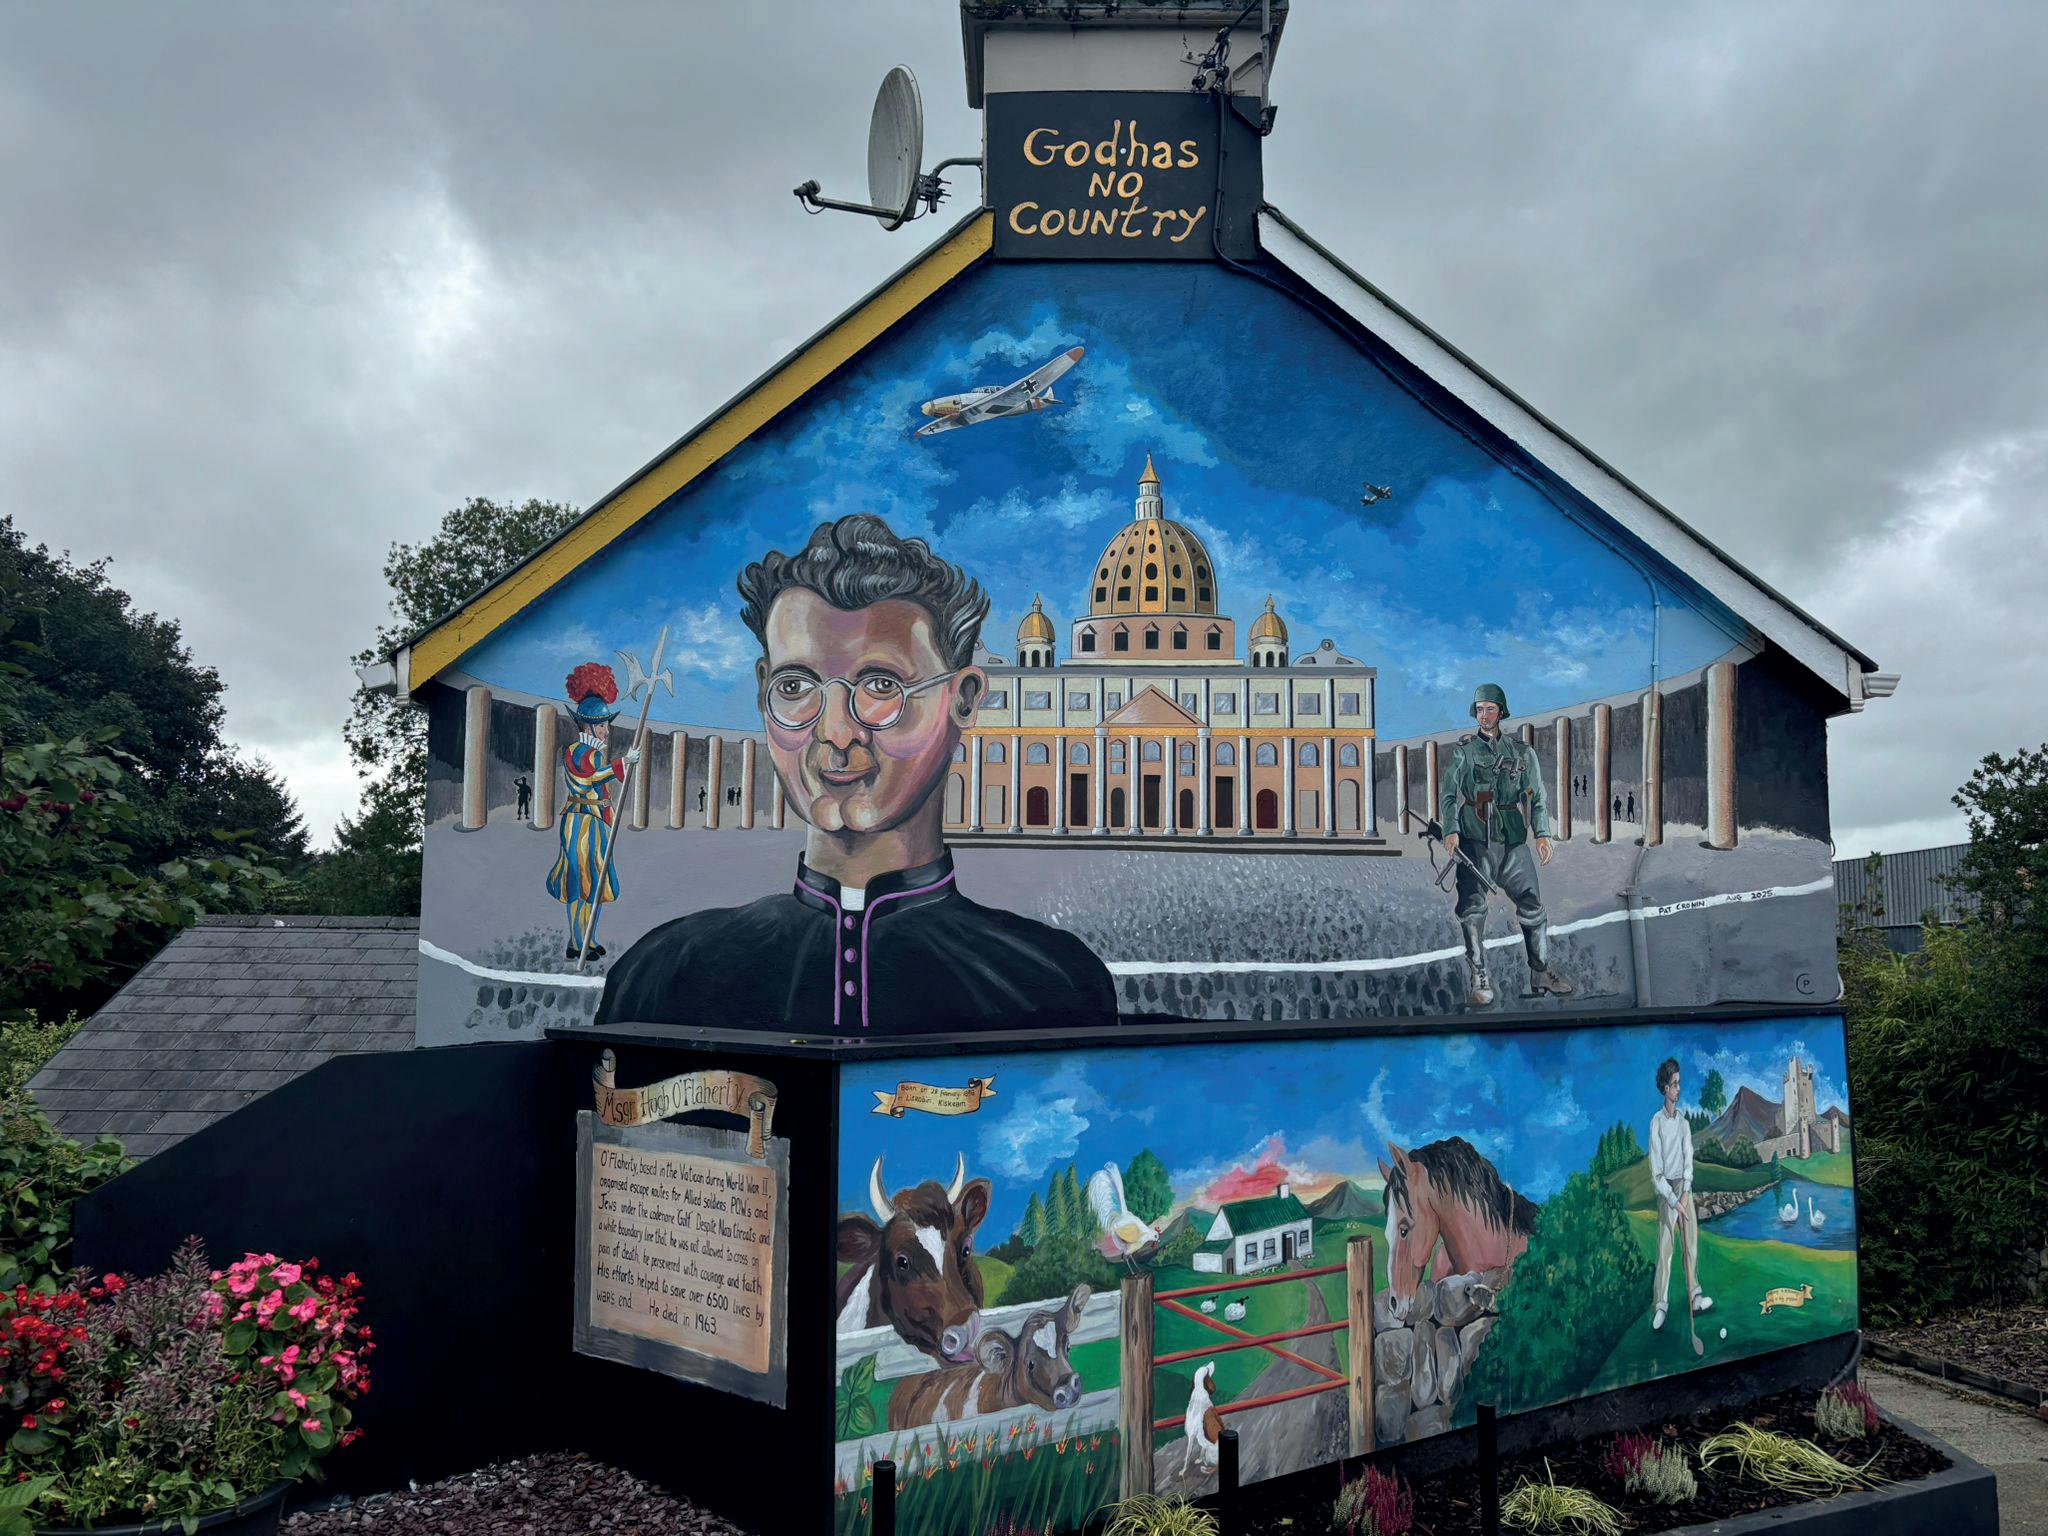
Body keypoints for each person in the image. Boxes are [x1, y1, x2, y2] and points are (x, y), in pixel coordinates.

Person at [597, 513, 1116, 1035]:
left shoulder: (1055, 983)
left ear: (962, 700)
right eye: (795, 687)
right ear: (763, 692)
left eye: (882, 686)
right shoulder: (661, 976)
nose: (837, 733)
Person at [1438, 683, 1574, 1006]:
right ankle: (1479, 973)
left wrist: (1542, 834)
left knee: (1533, 905)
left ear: (1501, 712)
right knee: (1472, 908)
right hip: (1474, 839)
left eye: (1490, 709)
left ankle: (1540, 971)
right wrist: (1451, 830)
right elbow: (1448, 795)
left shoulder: (1522, 753)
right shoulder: (1464, 752)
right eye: (1479, 710)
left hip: (1512, 840)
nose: (1484, 715)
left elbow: (1536, 796)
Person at [545, 664, 640, 961]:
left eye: (606, 725)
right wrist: (622, 763)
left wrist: (620, 766)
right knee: (579, 882)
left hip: (597, 821)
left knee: (595, 884)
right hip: (580, 823)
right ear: (587, 726)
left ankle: (589, 937)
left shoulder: (595, 752)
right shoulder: (576, 751)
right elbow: (588, 779)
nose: (606, 730)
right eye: (601, 725)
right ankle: (576, 942)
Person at [1649, 1057, 1713, 1331]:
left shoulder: (1684, 1124)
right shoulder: (1656, 1122)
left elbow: (1689, 1162)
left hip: (1684, 1190)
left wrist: (1686, 1193)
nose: (1678, 1089)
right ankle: (1661, 1306)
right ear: (1665, 1088)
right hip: (1666, 1193)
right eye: (1674, 1084)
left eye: (1679, 1084)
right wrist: (1674, 1201)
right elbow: (1656, 1174)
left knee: (1691, 1245)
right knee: (1666, 1249)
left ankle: (1695, 1296)